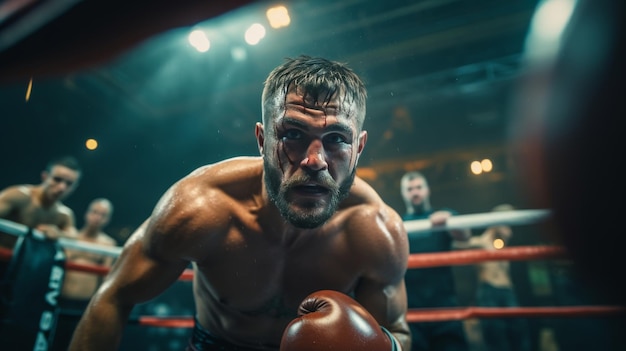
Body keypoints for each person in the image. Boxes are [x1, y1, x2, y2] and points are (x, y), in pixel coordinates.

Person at [69, 55, 411, 351]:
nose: (315, 160)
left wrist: (382, 347)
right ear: (262, 140)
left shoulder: (376, 230)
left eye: (336, 139)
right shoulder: (201, 206)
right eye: (293, 134)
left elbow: (397, 331)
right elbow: (114, 298)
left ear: (359, 149)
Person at [399, 170, 471, 351]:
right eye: (410, 189)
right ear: (404, 194)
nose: (415, 192)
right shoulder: (398, 223)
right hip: (411, 310)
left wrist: (449, 220)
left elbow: (465, 236)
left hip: (445, 306)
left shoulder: (443, 217)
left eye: (418, 187)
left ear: (427, 190)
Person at [453, 204, 531, 351]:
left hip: (508, 291)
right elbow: (459, 245)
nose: (508, 228)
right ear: (496, 222)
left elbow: (507, 233)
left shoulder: (502, 242)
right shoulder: (481, 242)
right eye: (505, 222)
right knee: (495, 335)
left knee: (518, 333)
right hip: (489, 290)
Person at [51, 198, 118, 351]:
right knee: (52, 343)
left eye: (103, 214)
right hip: (59, 301)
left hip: (85, 305)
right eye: (95, 212)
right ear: (87, 213)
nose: (97, 217)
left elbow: (106, 279)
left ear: (107, 219)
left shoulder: (107, 245)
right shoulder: (70, 237)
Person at [0, 155, 82, 270]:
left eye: (69, 184)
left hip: (24, 270)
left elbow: (73, 237)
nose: (62, 187)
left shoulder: (64, 215)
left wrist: (58, 233)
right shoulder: (19, 196)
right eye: (57, 179)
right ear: (45, 177)